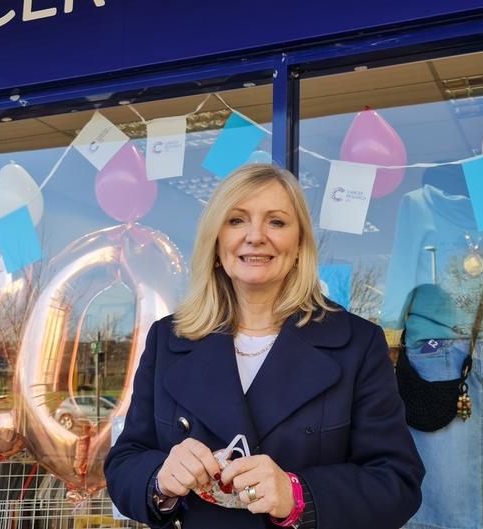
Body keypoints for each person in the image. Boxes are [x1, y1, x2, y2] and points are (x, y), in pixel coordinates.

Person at [105, 163, 424, 529]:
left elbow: (397, 482)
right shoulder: (169, 339)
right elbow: (124, 463)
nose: (255, 236)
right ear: (216, 242)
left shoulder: (358, 343)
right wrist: (160, 479)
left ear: (299, 245)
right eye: (236, 220)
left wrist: (298, 495)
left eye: (276, 222)